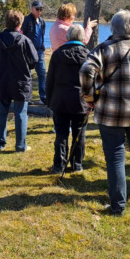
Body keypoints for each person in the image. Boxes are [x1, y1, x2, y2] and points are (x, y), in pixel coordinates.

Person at [80, 10, 130, 216]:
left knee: (115, 156)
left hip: (110, 113)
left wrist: (88, 97)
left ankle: (118, 205)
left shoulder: (103, 49)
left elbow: (85, 71)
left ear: (113, 28)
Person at [0, 9, 39, 152]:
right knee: (21, 113)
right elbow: (34, 60)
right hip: (20, 82)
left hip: (2, 80)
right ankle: (20, 145)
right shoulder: (25, 41)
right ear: (20, 23)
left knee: (1, 112)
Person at [46, 24, 91, 173]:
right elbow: (93, 80)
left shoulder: (58, 54)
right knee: (79, 133)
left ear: (68, 36)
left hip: (61, 100)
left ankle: (59, 165)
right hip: (81, 101)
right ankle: (77, 164)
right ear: (82, 37)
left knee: (61, 133)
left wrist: (49, 99)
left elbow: (50, 79)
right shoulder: (88, 55)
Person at [21, 0, 47, 104]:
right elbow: (22, 35)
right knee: (27, 75)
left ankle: (43, 97)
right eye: (37, 9)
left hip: (39, 51)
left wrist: (42, 47)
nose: (39, 11)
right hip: (28, 52)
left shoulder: (42, 21)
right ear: (32, 9)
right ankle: (27, 97)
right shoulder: (26, 20)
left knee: (42, 74)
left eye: (41, 9)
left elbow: (42, 35)